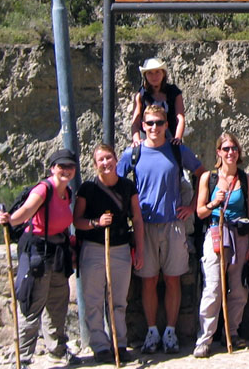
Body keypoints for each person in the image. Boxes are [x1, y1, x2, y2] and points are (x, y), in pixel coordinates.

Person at [116, 104, 206, 354]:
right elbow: (115, 182)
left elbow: (202, 174)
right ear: (142, 126)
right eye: (150, 123)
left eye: (159, 123)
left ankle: (171, 332)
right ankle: (152, 331)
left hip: (173, 225)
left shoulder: (177, 152)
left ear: (167, 125)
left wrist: (191, 205)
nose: (154, 127)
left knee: (173, 279)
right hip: (144, 225)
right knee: (148, 281)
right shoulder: (132, 154)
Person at [0, 149, 82, 368]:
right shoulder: (44, 189)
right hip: (38, 252)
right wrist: (11, 220)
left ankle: (57, 350)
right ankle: (23, 358)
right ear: (52, 168)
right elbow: (27, 210)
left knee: (57, 302)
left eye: (70, 166)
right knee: (32, 303)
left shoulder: (68, 192)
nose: (66, 170)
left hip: (57, 253)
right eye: (61, 166)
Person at [73, 144, 145, 363]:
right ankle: (100, 346)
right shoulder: (88, 189)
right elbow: (77, 221)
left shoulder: (127, 187)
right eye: (101, 160)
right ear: (95, 165)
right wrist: (96, 223)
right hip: (94, 248)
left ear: (115, 160)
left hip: (120, 248)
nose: (106, 163)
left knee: (118, 300)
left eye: (109, 158)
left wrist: (139, 250)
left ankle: (119, 343)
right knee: (93, 299)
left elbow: (137, 219)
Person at [193, 132, 249, 358]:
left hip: (239, 236)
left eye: (234, 149)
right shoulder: (208, 179)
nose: (231, 152)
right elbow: (200, 211)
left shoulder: (246, 179)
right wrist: (214, 202)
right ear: (218, 152)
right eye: (226, 148)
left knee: (238, 288)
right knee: (213, 287)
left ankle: (231, 332)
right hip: (216, 234)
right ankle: (205, 338)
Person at [130, 57, 185, 146]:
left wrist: (177, 138)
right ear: (145, 76)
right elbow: (135, 121)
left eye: (157, 72)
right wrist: (136, 140)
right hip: (148, 141)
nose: (154, 76)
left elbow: (180, 118)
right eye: (150, 73)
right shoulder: (141, 95)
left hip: (170, 140)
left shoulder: (174, 92)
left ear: (163, 73)